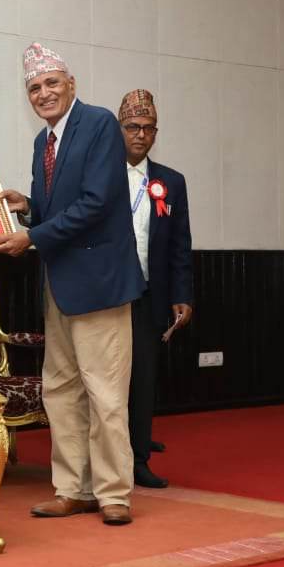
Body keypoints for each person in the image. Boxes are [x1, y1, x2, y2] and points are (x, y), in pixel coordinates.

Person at [0, 42, 145, 526]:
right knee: (60, 389)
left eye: (52, 83)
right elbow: (62, 209)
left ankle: (114, 492)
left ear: (71, 84)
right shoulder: (45, 142)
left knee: (105, 392)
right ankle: (72, 488)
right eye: (34, 88)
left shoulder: (98, 123)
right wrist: (28, 206)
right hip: (58, 285)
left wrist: (30, 235)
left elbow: (97, 203)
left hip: (99, 283)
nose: (43, 94)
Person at [117, 89, 193, 490]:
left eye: (148, 129)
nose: (140, 135)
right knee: (109, 382)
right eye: (132, 127)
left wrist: (183, 294)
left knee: (143, 379)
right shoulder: (101, 174)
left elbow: (180, 243)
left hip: (150, 293)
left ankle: (139, 459)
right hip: (108, 295)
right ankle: (108, 460)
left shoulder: (171, 182)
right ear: (119, 130)